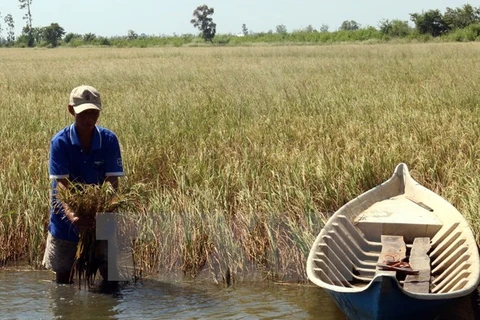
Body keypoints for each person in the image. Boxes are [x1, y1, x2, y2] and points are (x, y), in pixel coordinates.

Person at [42, 85, 124, 284]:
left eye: (93, 113)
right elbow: (62, 186)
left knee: (110, 274)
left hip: (100, 216)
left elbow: (112, 182)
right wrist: (73, 216)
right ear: (72, 110)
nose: (89, 119)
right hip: (65, 217)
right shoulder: (60, 142)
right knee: (63, 277)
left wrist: (102, 212)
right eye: (84, 113)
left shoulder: (108, 140)